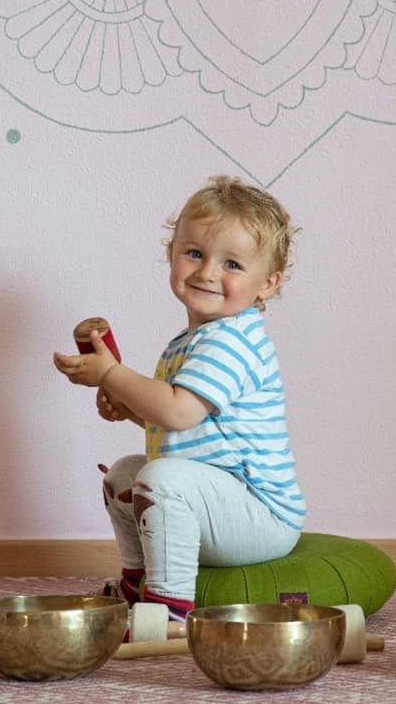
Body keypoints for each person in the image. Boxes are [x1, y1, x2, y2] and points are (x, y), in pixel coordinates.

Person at [53, 176, 304, 623]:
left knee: (161, 479)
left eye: (232, 264)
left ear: (267, 284)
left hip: (259, 514)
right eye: (194, 254)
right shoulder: (191, 340)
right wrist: (129, 406)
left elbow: (177, 410)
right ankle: (137, 582)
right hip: (213, 504)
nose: (207, 272)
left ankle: (168, 612)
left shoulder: (232, 340)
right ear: (171, 255)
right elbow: (183, 425)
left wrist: (111, 372)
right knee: (125, 475)